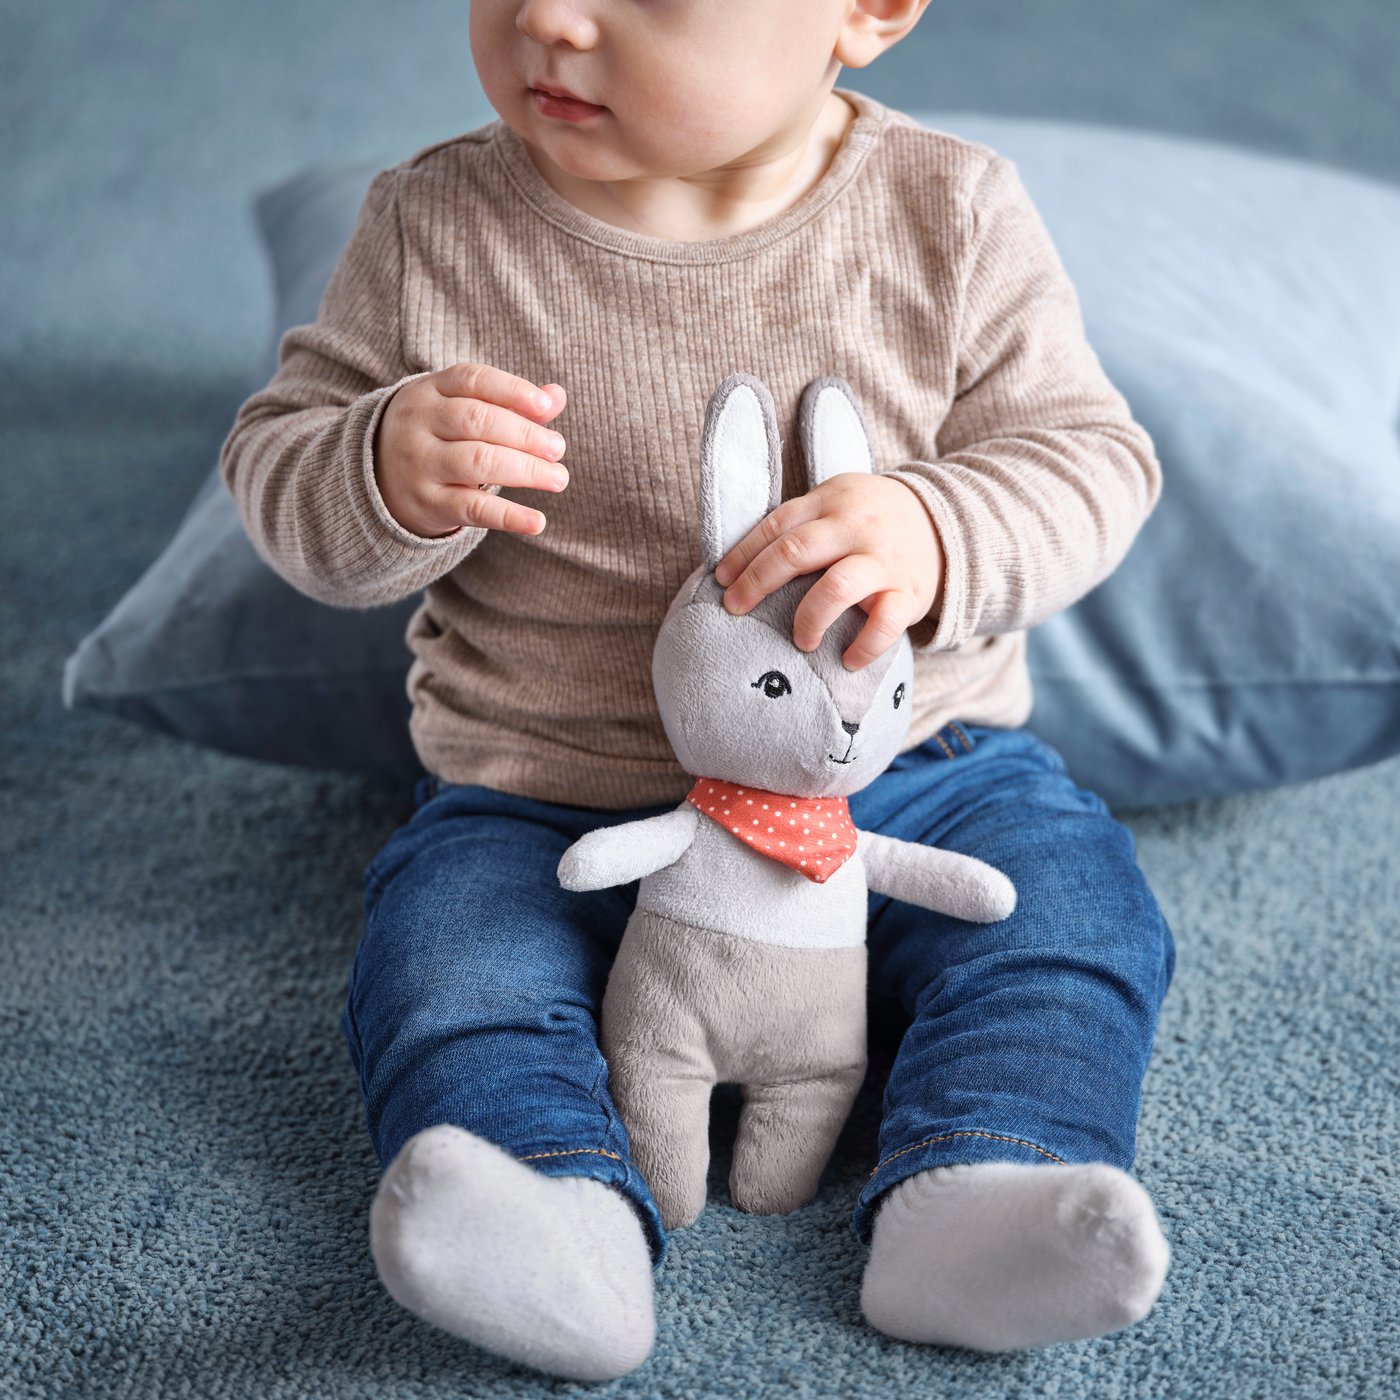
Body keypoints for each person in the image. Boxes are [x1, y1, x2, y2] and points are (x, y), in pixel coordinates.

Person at [219, 0, 1176, 1382]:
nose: (550, 19)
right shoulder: (435, 226)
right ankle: (551, 1213)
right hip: (552, 797)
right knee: (448, 965)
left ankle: (985, 1179)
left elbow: (1090, 459)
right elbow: (278, 466)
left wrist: (937, 525)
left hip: (910, 775)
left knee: (1066, 918)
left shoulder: (948, 212)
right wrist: (376, 466)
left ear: (868, 12)